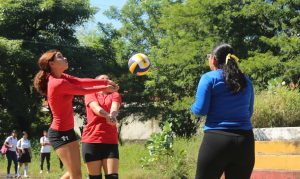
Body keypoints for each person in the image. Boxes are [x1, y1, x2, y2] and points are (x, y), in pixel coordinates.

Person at [33, 50, 119, 179]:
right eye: (60, 57)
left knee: (73, 173)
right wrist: (104, 87)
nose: (65, 58)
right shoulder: (57, 83)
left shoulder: (61, 77)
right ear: (51, 63)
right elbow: (81, 90)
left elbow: (80, 81)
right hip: (59, 134)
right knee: (76, 175)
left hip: (68, 132)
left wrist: (104, 83)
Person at [191, 43, 255, 179]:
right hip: (245, 143)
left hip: (216, 141)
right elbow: (249, 112)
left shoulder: (208, 78)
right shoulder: (247, 81)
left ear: (213, 59)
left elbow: (200, 110)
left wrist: (192, 106)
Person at [82, 74, 122, 179]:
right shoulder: (90, 93)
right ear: (96, 84)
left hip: (110, 140)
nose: (105, 80)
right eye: (102, 79)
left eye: (107, 78)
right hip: (91, 139)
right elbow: (95, 108)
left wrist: (112, 116)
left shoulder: (115, 94)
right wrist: (107, 115)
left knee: (112, 177)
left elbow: (115, 107)